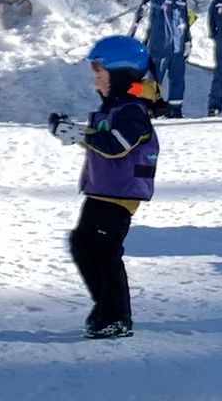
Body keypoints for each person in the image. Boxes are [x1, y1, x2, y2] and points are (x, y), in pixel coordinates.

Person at [48, 36, 159, 340]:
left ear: (122, 75)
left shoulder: (132, 112)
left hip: (120, 196)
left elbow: (115, 145)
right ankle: (105, 307)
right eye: (94, 74)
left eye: (101, 74)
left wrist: (78, 135)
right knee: (83, 245)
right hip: (101, 190)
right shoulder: (115, 107)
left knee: (106, 253)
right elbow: (100, 137)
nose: (95, 81)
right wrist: (72, 129)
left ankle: (117, 316)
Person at [136, 0, 193, 118]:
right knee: (154, 79)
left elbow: (185, 22)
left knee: (177, 79)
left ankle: (175, 109)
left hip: (177, 47)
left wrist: (187, 41)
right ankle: (151, 109)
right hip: (160, 46)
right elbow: (157, 3)